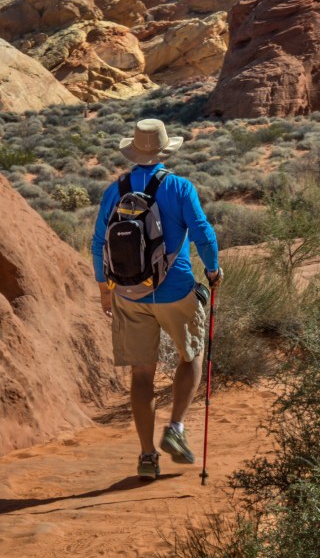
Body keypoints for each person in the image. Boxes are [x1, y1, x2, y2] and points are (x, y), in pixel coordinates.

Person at [91, 119, 223, 481]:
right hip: (175, 290)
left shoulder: (114, 190)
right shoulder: (179, 187)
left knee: (141, 374)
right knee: (191, 356)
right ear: (165, 151)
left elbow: (98, 243)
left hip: (128, 293)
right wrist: (213, 270)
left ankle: (147, 455)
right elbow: (203, 234)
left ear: (133, 151)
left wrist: (105, 290)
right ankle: (176, 427)